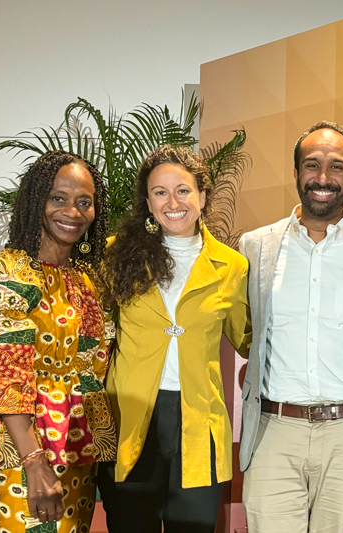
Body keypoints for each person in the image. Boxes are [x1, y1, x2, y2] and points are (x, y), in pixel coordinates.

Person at [238, 121, 343, 532]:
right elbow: (243, 331)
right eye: (312, 165)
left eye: (337, 166)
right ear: (296, 173)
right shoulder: (255, 246)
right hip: (273, 431)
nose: (323, 178)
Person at [96, 145, 250, 533]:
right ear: (147, 203)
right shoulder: (117, 255)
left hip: (200, 423)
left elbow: (247, 338)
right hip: (129, 417)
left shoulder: (232, 266)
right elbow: (95, 335)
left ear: (203, 195)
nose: (172, 202)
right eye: (160, 192)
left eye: (183, 190)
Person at [0, 150, 115, 532]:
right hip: (26, 449)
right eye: (57, 198)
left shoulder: (88, 279)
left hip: (80, 446)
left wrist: (104, 447)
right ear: (36, 202)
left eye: (84, 202)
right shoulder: (9, 271)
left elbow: (92, 370)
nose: (72, 212)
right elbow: (1, 376)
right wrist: (33, 461)